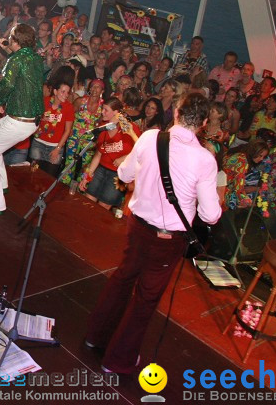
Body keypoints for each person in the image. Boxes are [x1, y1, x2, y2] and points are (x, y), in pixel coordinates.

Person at [85, 93, 222, 375]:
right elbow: (210, 216)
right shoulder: (205, 160)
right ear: (204, 123)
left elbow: (123, 174)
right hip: (167, 240)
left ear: (176, 113)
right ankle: (117, 360)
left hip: (137, 226)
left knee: (123, 278)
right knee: (145, 298)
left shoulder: (150, 138)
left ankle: (95, 337)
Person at [0, 24, 44, 214]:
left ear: (15, 41)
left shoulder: (15, 60)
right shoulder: (35, 58)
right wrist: (8, 47)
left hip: (19, 119)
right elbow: (22, 60)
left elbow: (6, 84)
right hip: (32, 120)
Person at [78, 98, 141, 215]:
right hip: (101, 169)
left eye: (106, 110)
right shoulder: (102, 128)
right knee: (88, 201)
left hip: (119, 174)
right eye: (102, 109)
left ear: (116, 113)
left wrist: (124, 158)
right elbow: (98, 154)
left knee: (103, 207)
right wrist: (87, 175)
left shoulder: (130, 128)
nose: (102, 112)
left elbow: (141, 150)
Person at [29, 81, 74, 178]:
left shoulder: (68, 107)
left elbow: (67, 131)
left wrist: (58, 149)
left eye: (67, 92)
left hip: (55, 147)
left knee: (49, 178)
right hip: (38, 143)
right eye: (63, 91)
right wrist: (41, 118)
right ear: (55, 91)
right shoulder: (44, 101)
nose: (66, 95)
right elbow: (33, 118)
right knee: (33, 174)